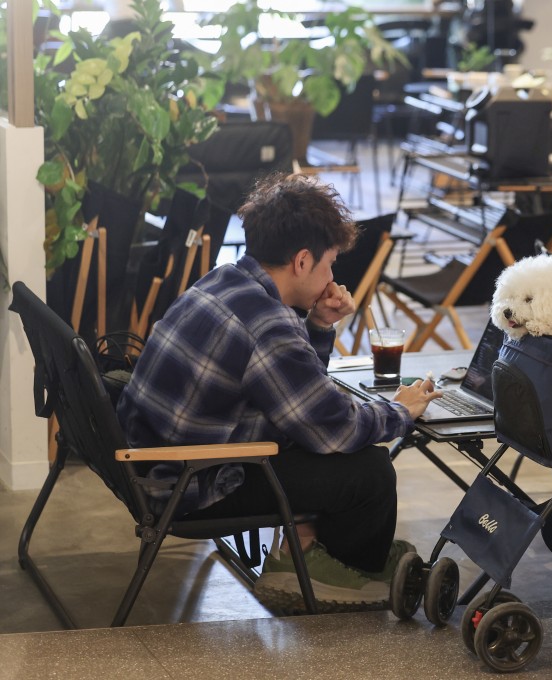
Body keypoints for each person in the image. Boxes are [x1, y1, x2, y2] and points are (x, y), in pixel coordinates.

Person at [117, 173, 442, 612]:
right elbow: (334, 428)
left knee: (317, 445)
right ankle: (346, 575)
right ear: (303, 261)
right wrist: (400, 411)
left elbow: (295, 391)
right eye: (329, 263)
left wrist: (320, 325)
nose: (332, 277)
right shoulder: (268, 322)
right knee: (370, 470)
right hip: (192, 487)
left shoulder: (224, 280)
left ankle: (303, 552)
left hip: (157, 467)